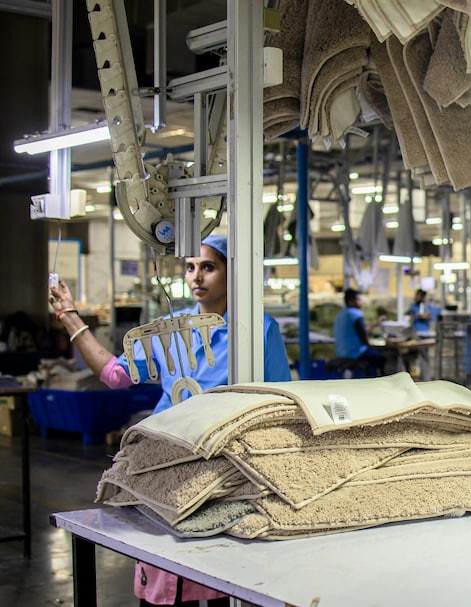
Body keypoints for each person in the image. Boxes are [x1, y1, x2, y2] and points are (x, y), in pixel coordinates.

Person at [48, 234, 291, 606]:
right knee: (163, 577)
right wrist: (70, 317)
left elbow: (279, 398)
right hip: (165, 463)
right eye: (191, 267)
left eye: (208, 267)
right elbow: (116, 375)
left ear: (232, 272)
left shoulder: (259, 329)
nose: (196, 277)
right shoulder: (169, 329)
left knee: (218, 575)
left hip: (224, 468)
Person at [332, 288, 386, 377]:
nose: (361, 302)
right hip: (355, 353)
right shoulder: (356, 314)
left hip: (342, 352)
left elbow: (361, 329)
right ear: (350, 301)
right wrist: (371, 346)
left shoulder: (340, 315)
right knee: (382, 357)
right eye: (358, 299)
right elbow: (363, 336)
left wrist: (377, 322)